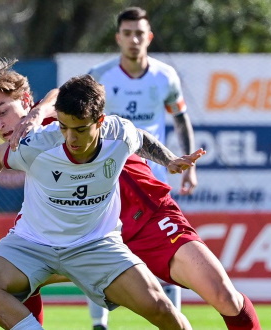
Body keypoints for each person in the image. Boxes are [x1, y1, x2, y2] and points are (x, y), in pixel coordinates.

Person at [0, 63, 262, 329]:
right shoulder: (30, 145)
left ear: (27, 102)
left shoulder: (60, 115)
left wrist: (169, 160)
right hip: (79, 232)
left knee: (220, 296)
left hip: (143, 220)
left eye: (3, 112)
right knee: (1, 279)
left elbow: (57, 95)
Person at [86, 7, 196, 328]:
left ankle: (175, 319)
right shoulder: (100, 76)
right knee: (96, 245)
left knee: (170, 248)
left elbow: (180, 119)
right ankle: (99, 324)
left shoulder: (165, 76)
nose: (134, 39)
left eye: (139, 33)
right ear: (118, 38)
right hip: (109, 179)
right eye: (127, 33)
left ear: (148, 37)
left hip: (154, 180)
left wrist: (189, 165)